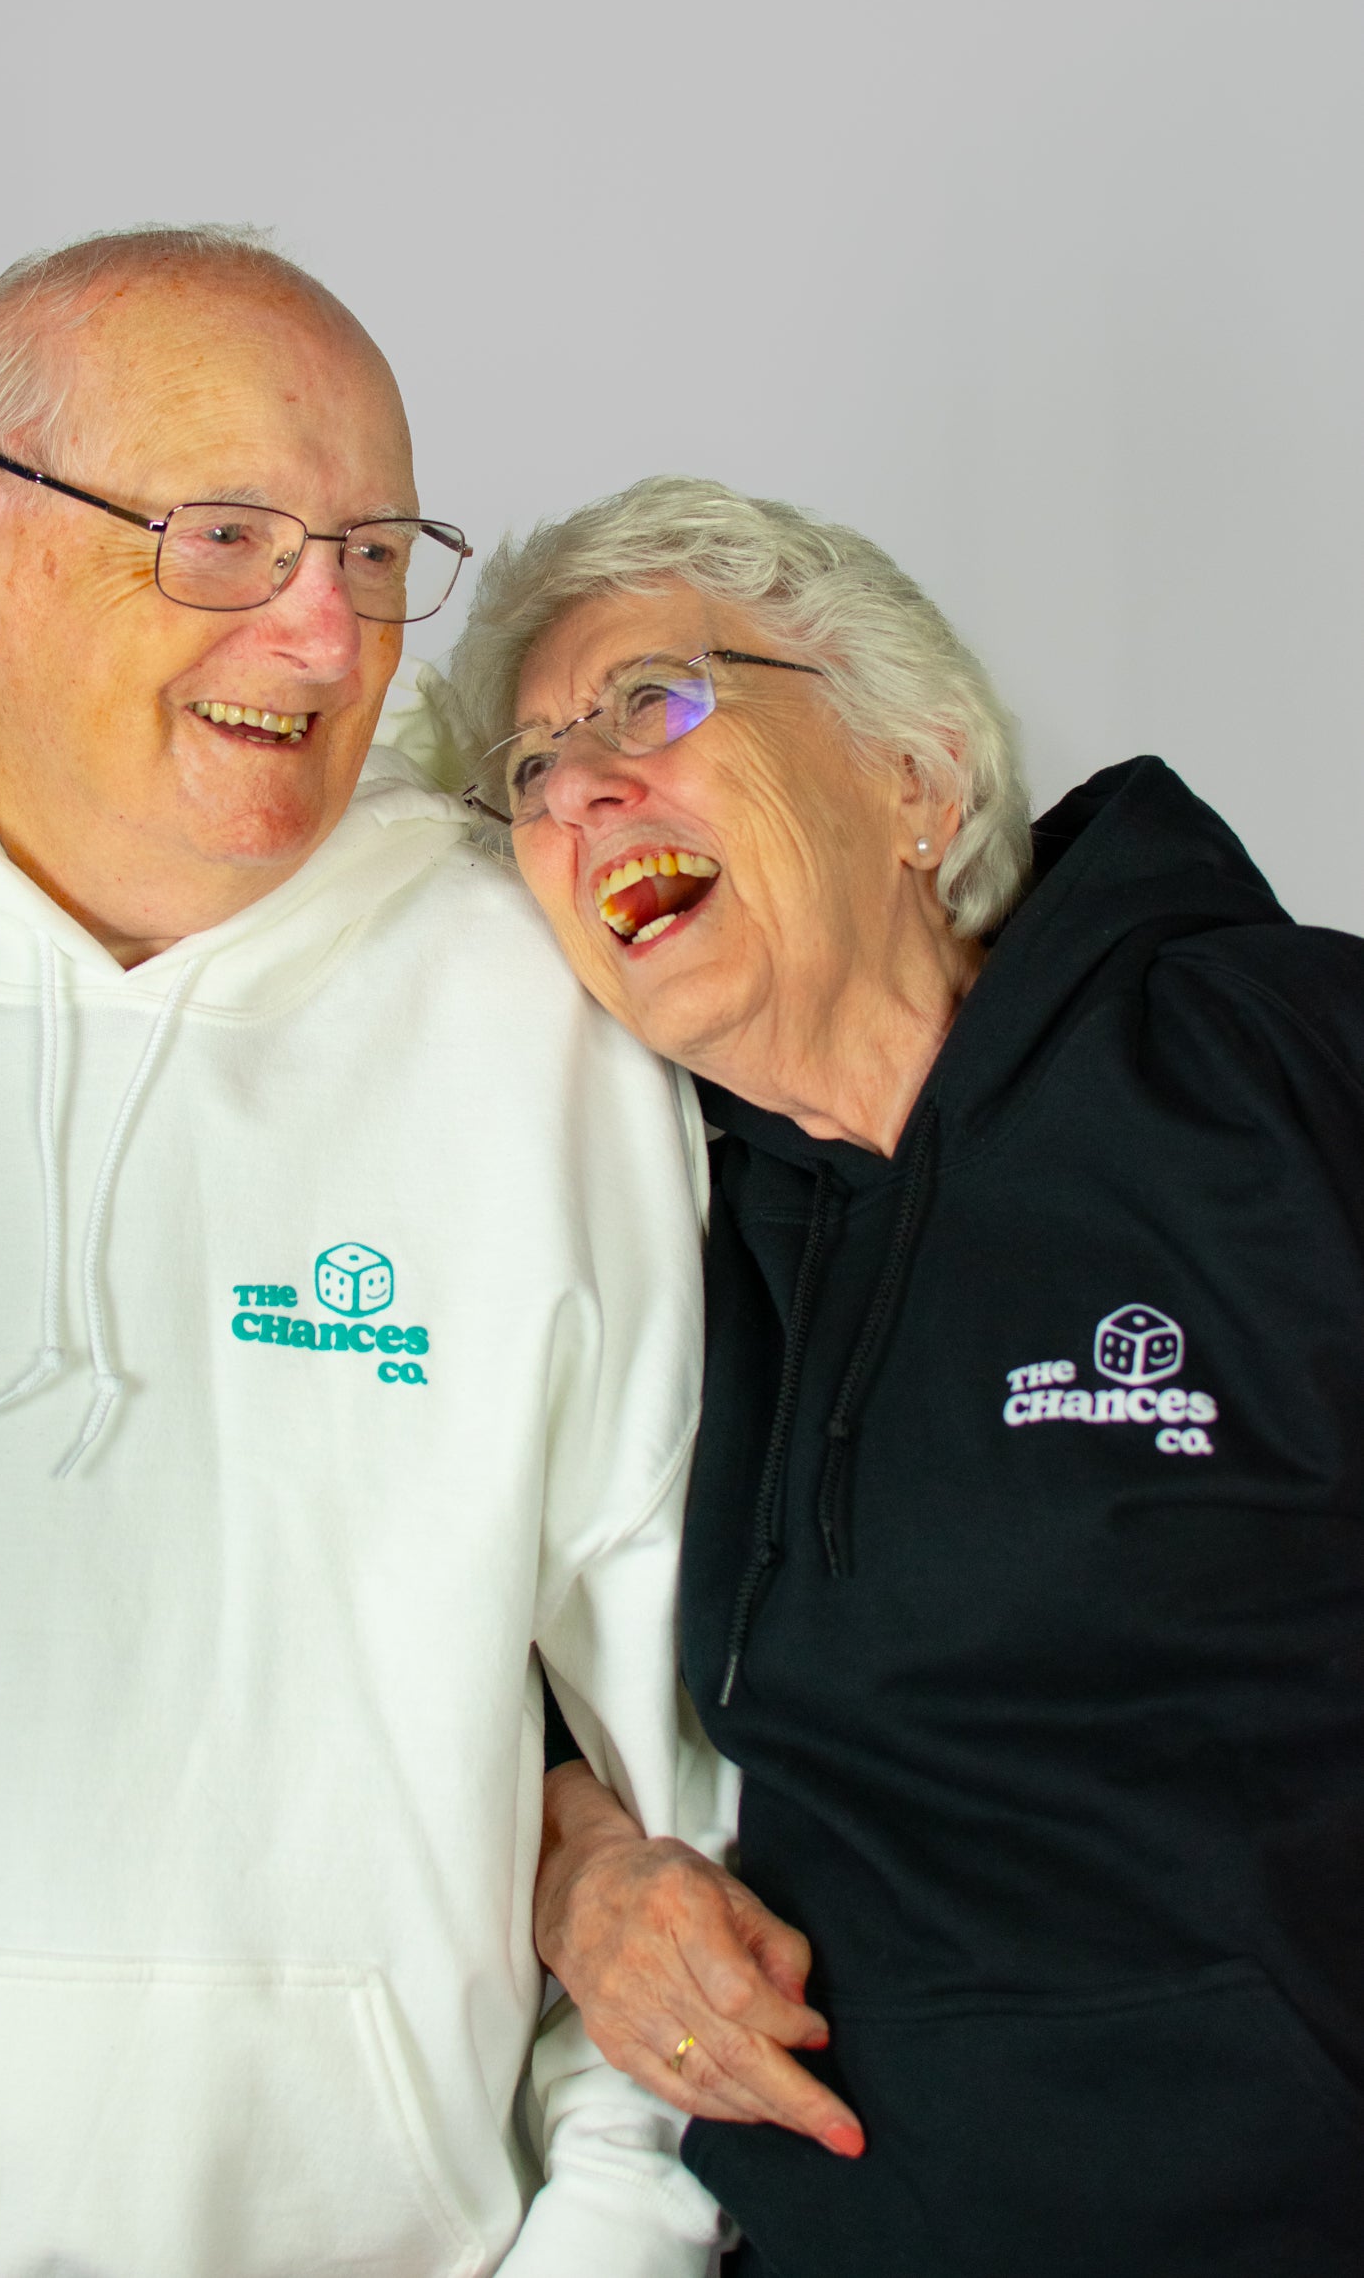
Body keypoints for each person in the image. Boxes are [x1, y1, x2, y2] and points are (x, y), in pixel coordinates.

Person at [0, 230, 730, 2276]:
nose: (330, 636)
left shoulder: (549, 1023)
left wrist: (608, 2247)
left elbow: (700, 1771)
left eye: (370, 551)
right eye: (232, 536)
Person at [446, 474, 1364, 2278]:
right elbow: (451, 1632)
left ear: (914, 781)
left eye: (653, 703)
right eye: (534, 767)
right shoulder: (633, 1228)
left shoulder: (1281, 1067)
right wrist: (577, 1877)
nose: (580, 788)